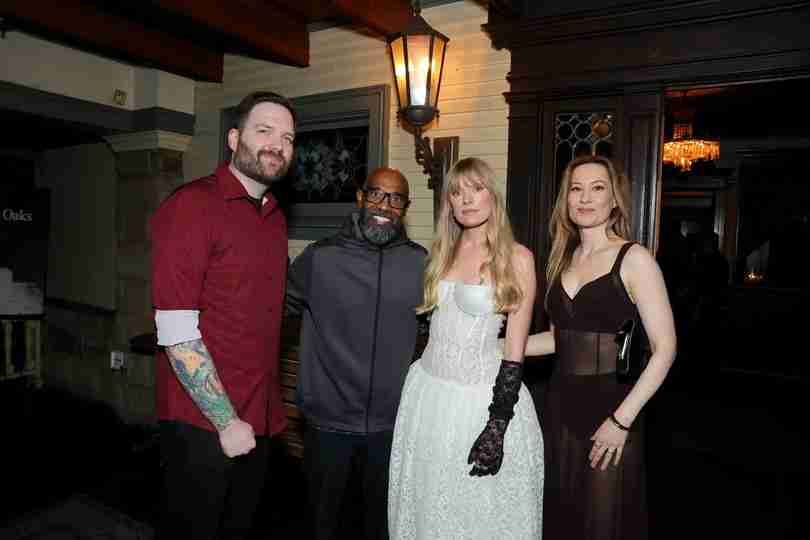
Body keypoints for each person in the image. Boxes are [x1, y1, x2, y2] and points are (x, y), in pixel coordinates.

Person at [150, 91, 296, 540]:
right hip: (204, 422)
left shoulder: (274, 216)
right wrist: (225, 421)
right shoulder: (192, 205)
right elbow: (175, 328)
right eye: (264, 131)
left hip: (259, 418)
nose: (277, 144)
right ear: (234, 138)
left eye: (288, 138)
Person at [388, 157, 544, 539]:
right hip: (427, 394)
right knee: (428, 505)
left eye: (476, 189)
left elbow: (515, 351)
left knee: (476, 513)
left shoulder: (518, 259)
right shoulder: (441, 253)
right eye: (457, 193)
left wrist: (497, 424)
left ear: (494, 197)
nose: (467, 200)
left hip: (481, 401)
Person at [523, 155, 677, 540]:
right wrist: (496, 346)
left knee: (603, 523)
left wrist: (621, 420)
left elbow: (665, 348)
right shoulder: (563, 259)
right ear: (566, 201)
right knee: (563, 516)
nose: (585, 198)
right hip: (559, 406)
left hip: (612, 407)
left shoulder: (634, 258)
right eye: (576, 189)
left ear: (614, 200)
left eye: (597, 188)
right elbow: (560, 339)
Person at [285, 167, 427, 540]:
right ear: (361, 198)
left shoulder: (420, 264)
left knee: (380, 527)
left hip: (389, 426)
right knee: (323, 525)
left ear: (405, 208)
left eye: (396, 199)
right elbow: (273, 310)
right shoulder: (321, 258)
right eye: (377, 194)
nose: (385, 205)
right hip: (328, 424)